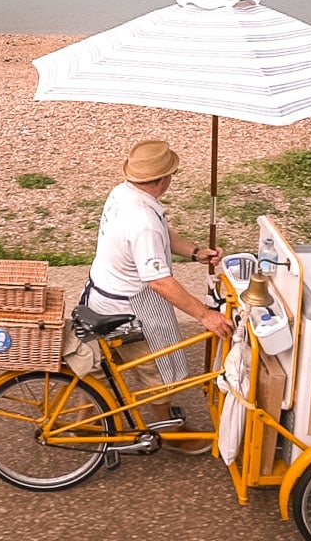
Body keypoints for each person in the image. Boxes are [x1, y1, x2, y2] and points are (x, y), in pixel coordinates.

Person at [80, 139, 234, 454]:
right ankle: (173, 432)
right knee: (161, 371)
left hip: (99, 296)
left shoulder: (123, 193)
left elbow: (159, 236)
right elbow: (160, 281)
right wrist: (206, 315)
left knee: (103, 370)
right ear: (163, 180)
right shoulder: (143, 222)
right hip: (131, 307)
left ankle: (86, 421)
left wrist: (194, 252)